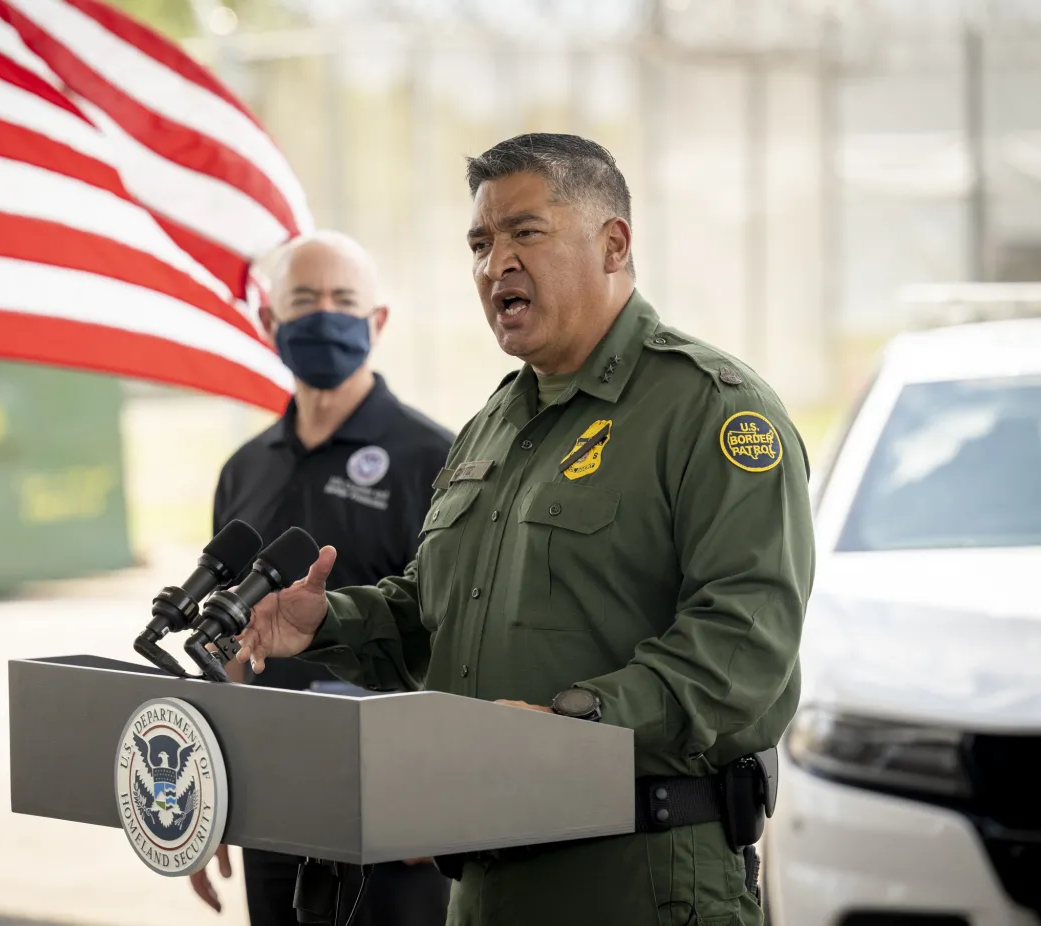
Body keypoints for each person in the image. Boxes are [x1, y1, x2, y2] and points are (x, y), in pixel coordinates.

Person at [233, 134, 816, 926]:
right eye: (480, 242)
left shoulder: (712, 410)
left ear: (614, 244)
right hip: (483, 882)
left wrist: (568, 724)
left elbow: (744, 645)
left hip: (642, 874)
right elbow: (441, 612)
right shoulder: (496, 424)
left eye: (524, 233)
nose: (494, 262)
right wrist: (328, 621)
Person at [191, 230, 453, 926]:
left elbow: (458, 638)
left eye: (344, 300)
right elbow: (224, 644)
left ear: (379, 322)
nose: (325, 316)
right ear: (270, 322)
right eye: (304, 301)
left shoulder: (436, 459)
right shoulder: (245, 470)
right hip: (269, 798)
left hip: (393, 810)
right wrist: (203, 792)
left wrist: (437, 794)